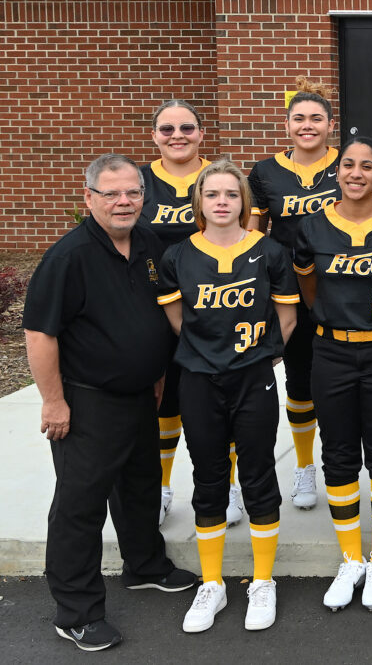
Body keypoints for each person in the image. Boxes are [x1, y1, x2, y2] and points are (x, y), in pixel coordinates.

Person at [25, 154, 197, 652]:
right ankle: (76, 612)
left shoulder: (146, 242)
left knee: (141, 484)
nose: (124, 202)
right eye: (112, 194)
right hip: (87, 401)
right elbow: (40, 335)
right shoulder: (68, 257)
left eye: (133, 193)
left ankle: (145, 566)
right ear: (89, 199)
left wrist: (158, 373)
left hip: (141, 393)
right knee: (81, 505)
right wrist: (53, 402)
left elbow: (155, 316)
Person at [157, 160, 299, 632]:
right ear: (198, 201)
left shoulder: (270, 252)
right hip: (199, 380)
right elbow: (177, 318)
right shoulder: (178, 255)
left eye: (231, 194)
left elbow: (287, 319)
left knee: (258, 473)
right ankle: (213, 583)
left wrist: (259, 357)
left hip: (252, 377)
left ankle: (262, 581)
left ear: (244, 202)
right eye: (212, 194)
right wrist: (207, 354)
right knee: (209, 475)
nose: (222, 202)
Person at [295, 136, 372, 611]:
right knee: (340, 451)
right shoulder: (313, 227)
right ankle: (351, 557)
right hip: (331, 351)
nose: (356, 173)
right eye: (348, 164)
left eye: (367, 166)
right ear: (337, 171)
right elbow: (309, 287)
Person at [249, 79, 340, 511]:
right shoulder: (265, 172)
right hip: (290, 291)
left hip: (344, 286)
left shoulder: (350, 165)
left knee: (339, 382)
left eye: (316, 118)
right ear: (286, 125)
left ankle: (342, 463)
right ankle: (305, 469)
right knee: (300, 381)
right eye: (299, 118)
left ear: (330, 125)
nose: (308, 126)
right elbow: (254, 236)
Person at [138, 100, 226, 527]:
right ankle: (161, 486)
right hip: (153, 304)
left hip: (216, 302)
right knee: (164, 400)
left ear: (201, 133)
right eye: (167, 129)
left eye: (186, 127)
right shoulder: (138, 182)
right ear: (154, 135)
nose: (178, 136)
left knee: (221, 398)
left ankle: (227, 487)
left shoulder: (219, 178)